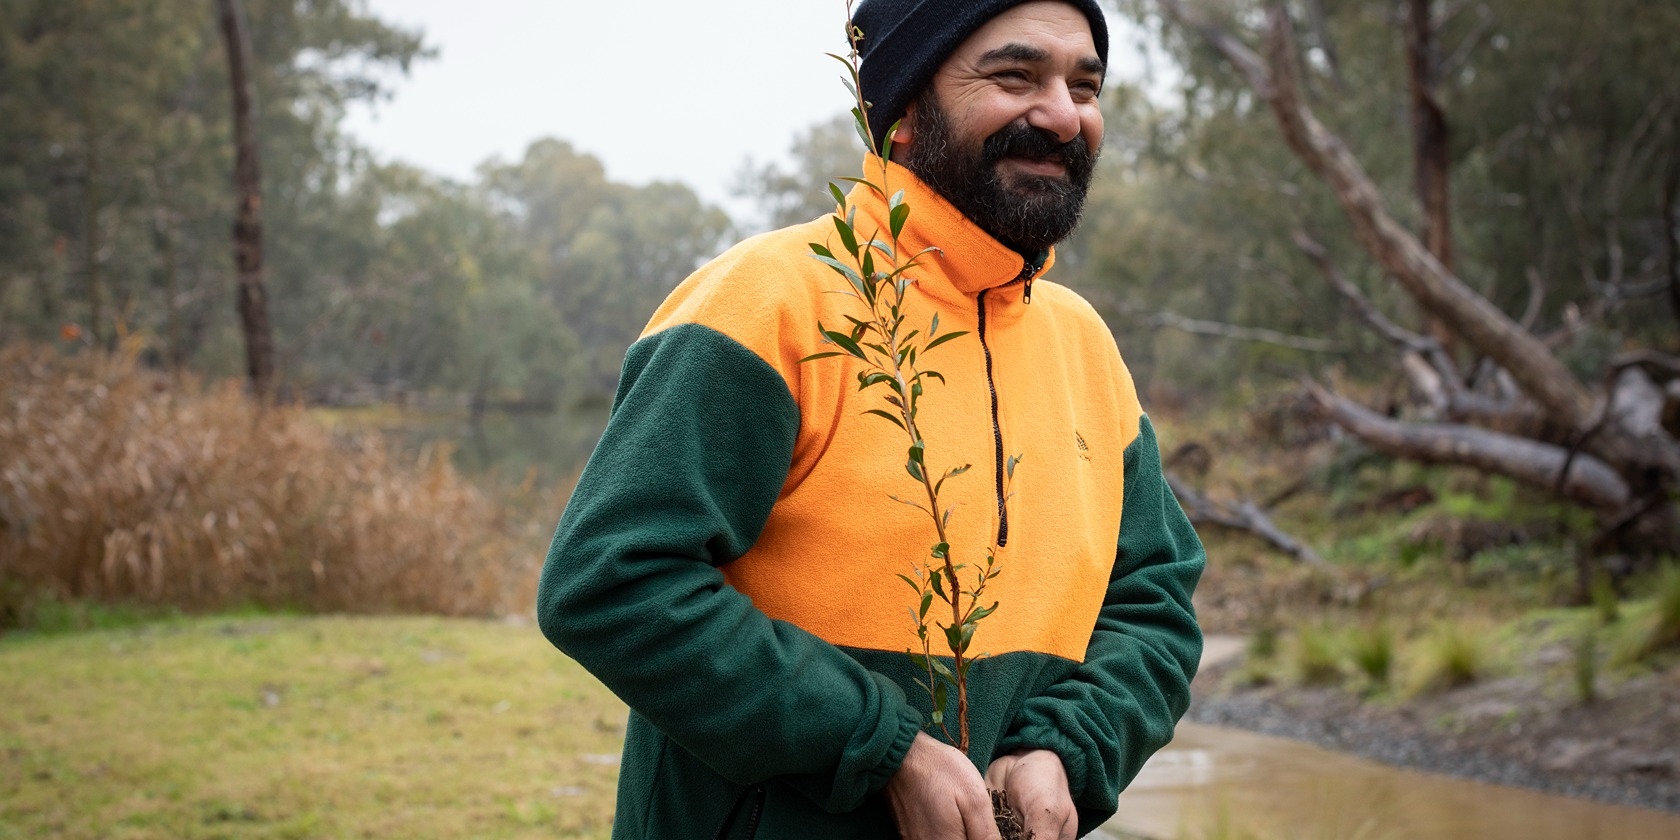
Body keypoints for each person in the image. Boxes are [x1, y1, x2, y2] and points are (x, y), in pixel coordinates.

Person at [536, 1, 1204, 838]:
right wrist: (884, 749)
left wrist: (1064, 748)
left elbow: (1154, 601)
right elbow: (610, 582)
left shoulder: (1085, 348)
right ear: (901, 112)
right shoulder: (763, 307)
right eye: (1014, 75)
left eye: (1085, 85)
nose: (1064, 115)